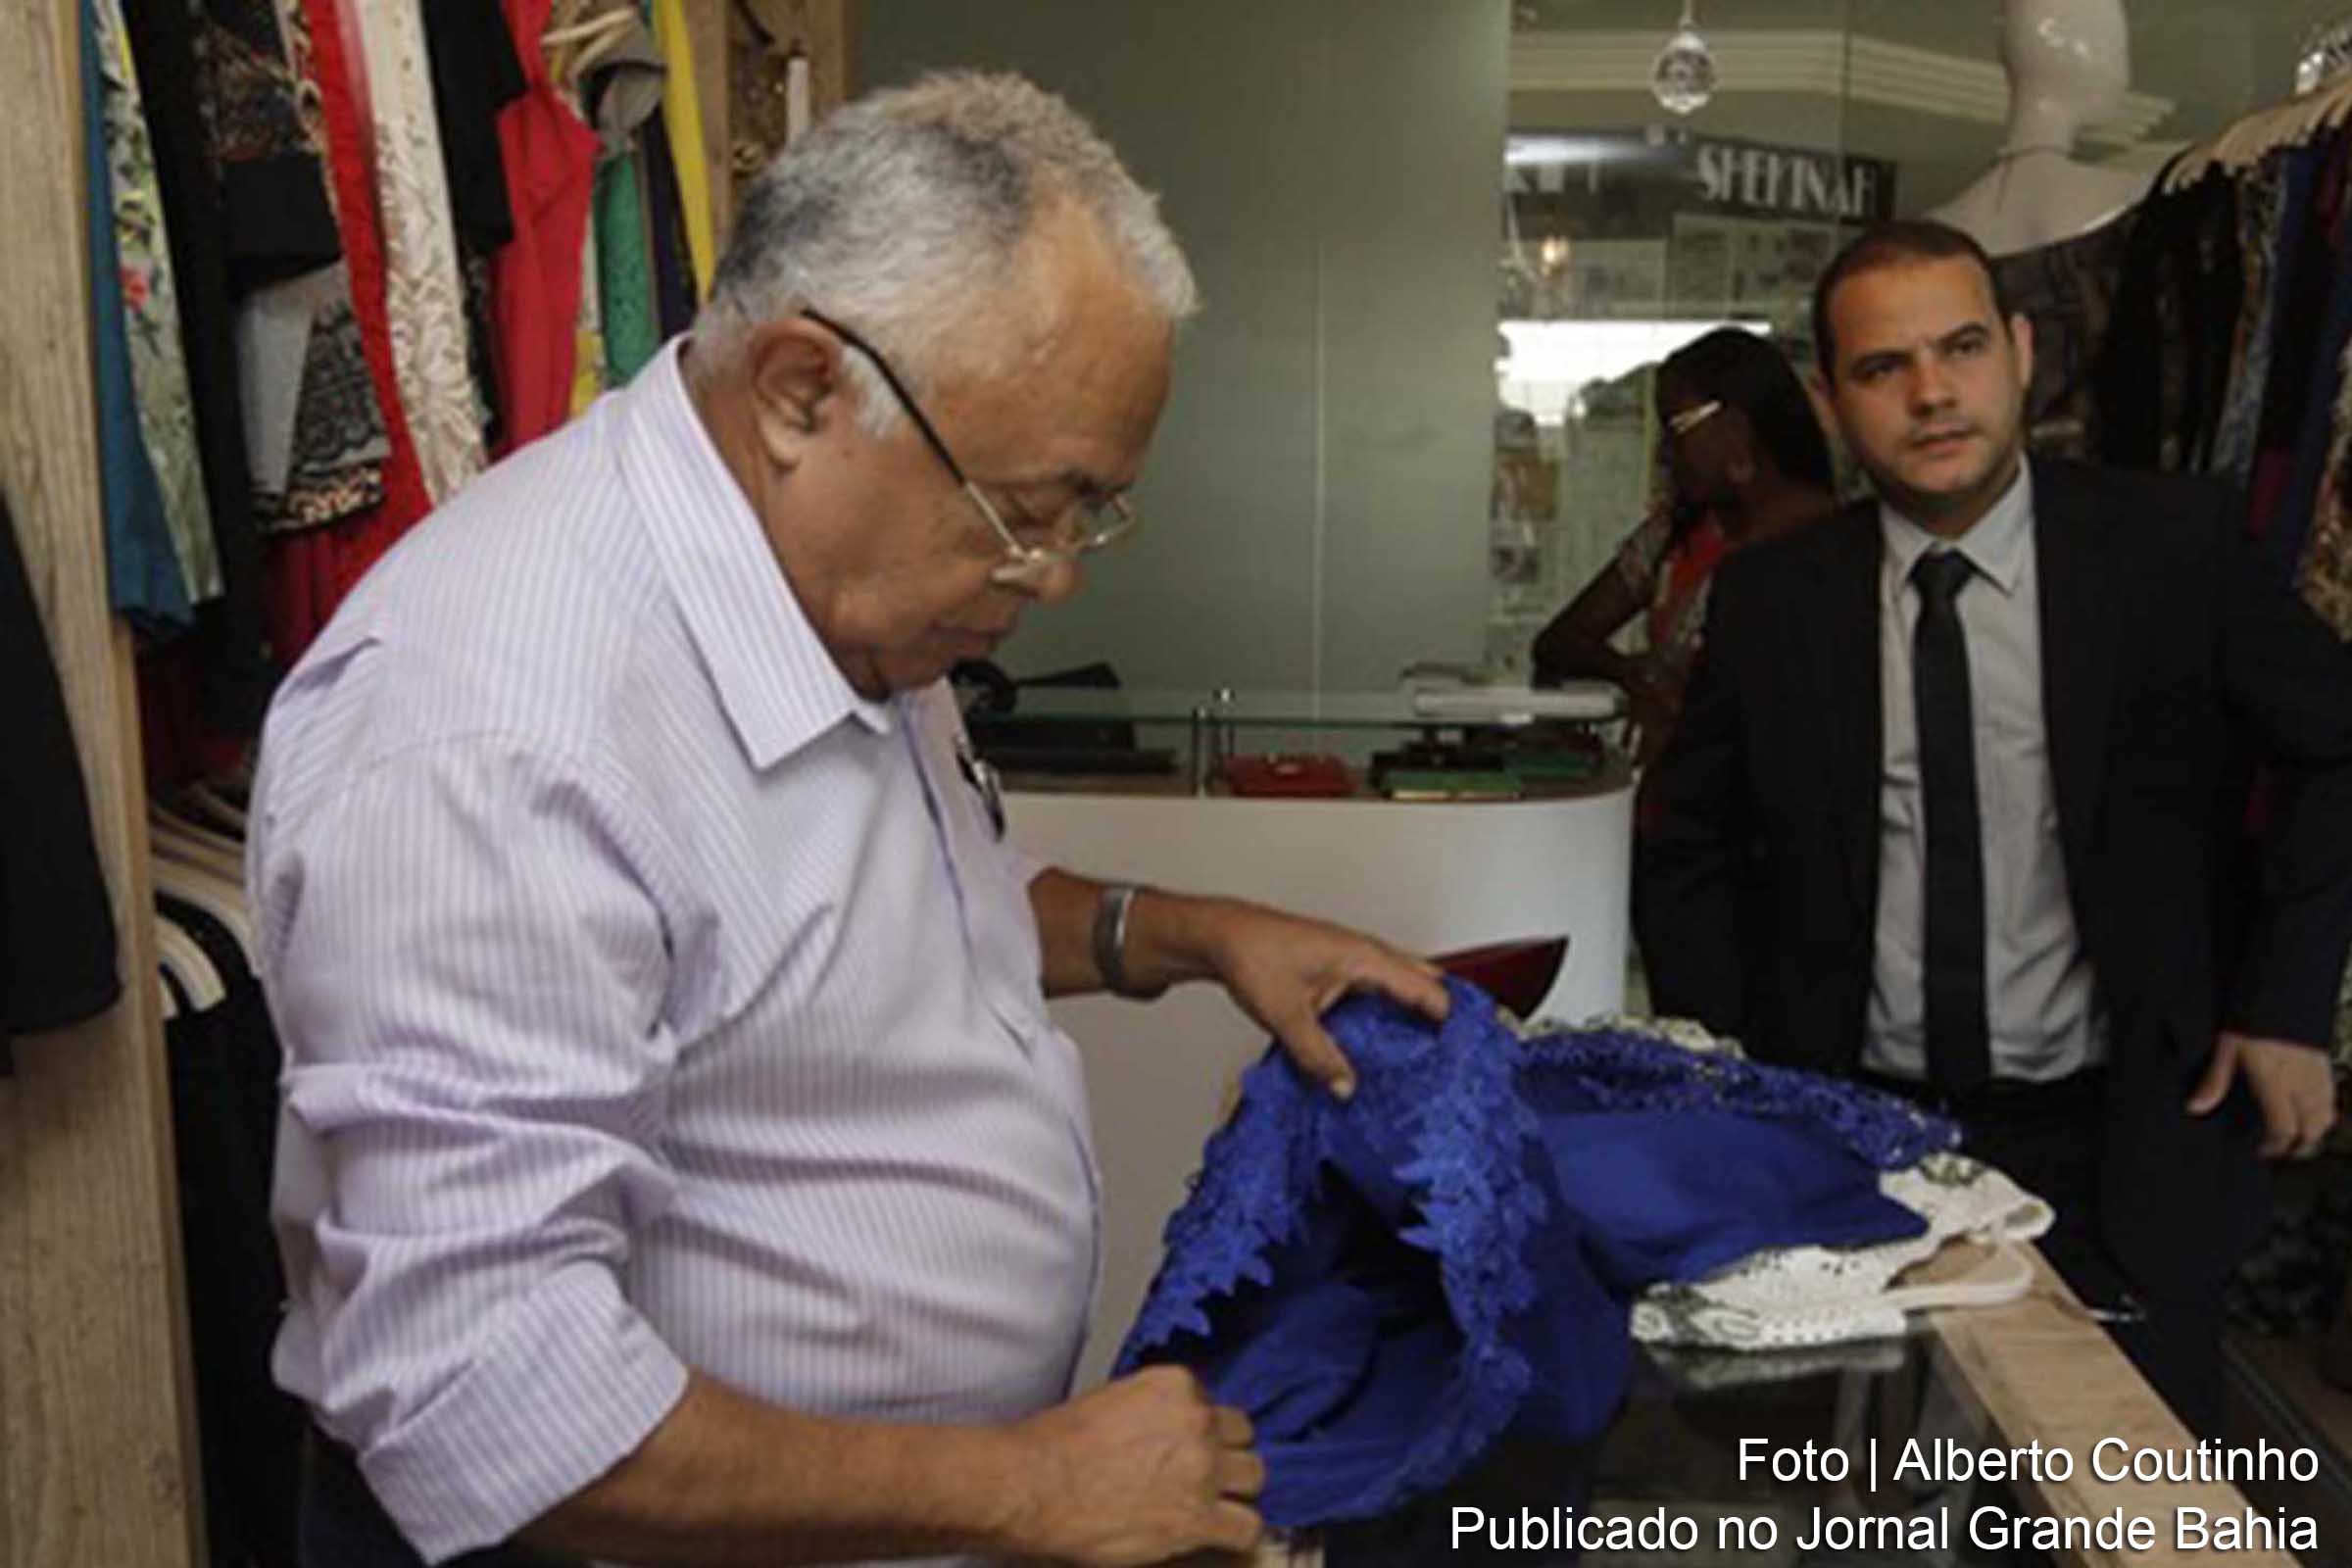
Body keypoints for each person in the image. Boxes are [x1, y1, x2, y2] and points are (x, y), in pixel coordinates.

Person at [248, 73, 1450, 1568]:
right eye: (1034, 510)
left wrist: (1183, 934)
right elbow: (497, 1400)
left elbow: (860, 928)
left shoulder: (840, 581)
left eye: (1091, 514)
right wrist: (1034, 1487)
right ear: (803, 391)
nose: (1059, 575)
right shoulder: (497, 731)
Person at [1634, 219, 2352, 1434]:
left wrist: (2283, 1006)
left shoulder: (2167, 549)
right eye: (1882, 367)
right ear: (1831, 396)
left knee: (2123, 1503)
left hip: (2119, 1128)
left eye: (1962, 346)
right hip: (1859, 1135)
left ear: (2019, 352)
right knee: (1859, 1504)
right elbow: (1685, 841)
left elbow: (2340, 740)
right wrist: (1752, 1061)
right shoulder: (1773, 601)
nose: (1931, 393)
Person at [1530, 327, 1835, 771]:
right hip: (1665, 806)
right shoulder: (1677, 533)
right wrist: (1635, 674)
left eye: (1676, 428)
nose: (1665, 453)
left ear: (1735, 428)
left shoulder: (1830, 542)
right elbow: (1558, 643)